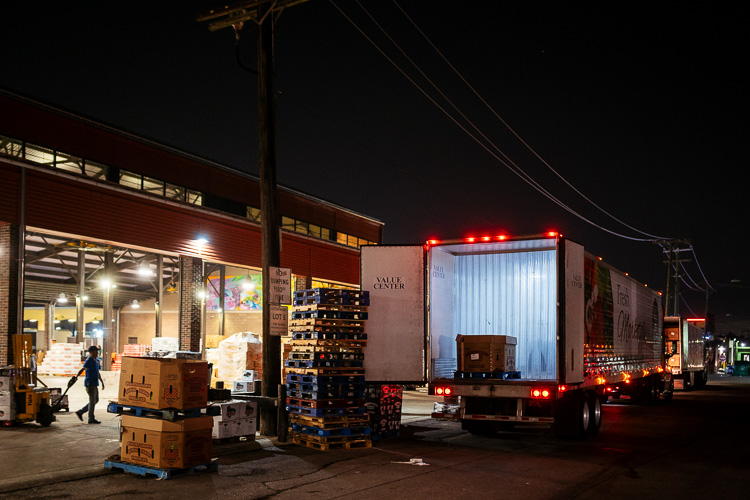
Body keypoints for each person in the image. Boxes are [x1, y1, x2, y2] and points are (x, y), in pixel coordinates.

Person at [73, 346, 105, 424]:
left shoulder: (97, 361)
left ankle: (80, 412)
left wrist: (102, 382)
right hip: (90, 383)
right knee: (92, 400)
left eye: (97, 351)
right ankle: (91, 418)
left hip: (95, 383)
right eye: (95, 351)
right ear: (91, 352)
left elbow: (97, 372)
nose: (97, 353)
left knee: (95, 400)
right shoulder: (89, 360)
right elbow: (83, 369)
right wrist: (76, 376)